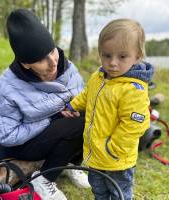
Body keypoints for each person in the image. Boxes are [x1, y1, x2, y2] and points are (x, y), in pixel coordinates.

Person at [0, 9, 90, 200]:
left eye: (52, 51)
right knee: (78, 125)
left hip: (56, 127)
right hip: (24, 143)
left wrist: (74, 109)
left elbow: (82, 96)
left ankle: (69, 164)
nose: (52, 62)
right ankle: (43, 180)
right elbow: (6, 135)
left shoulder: (67, 67)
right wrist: (53, 117)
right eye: (41, 59)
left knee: (91, 116)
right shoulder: (8, 87)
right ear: (26, 64)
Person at [62, 18, 154, 200]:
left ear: (137, 56)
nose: (112, 63)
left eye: (122, 56)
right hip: (95, 153)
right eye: (106, 55)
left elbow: (134, 125)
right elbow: (88, 94)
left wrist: (112, 148)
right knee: (98, 188)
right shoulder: (99, 77)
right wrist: (73, 105)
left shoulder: (133, 90)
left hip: (117, 160)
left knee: (118, 192)